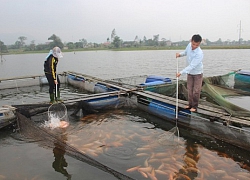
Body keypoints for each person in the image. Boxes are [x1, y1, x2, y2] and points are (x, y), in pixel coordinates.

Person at [176, 34, 203, 112]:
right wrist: (179, 54)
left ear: (199, 44)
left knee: (196, 91)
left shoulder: (199, 53)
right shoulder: (189, 45)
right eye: (193, 44)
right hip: (190, 73)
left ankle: (194, 106)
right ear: (191, 41)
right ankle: (190, 104)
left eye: (197, 45)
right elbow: (185, 52)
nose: (194, 46)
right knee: (189, 89)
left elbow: (192, 66)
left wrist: (181, 72)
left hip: (197, 73)